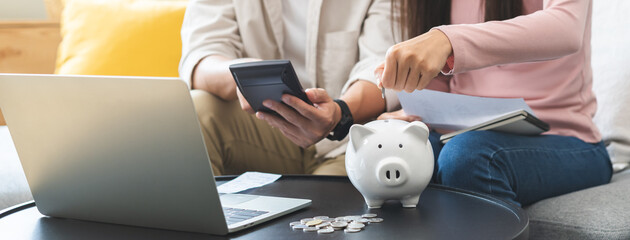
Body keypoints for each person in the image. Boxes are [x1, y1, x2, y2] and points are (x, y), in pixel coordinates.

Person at [375, 0, 612, 206]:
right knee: (397, 150)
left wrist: (447, 40)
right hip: (462, 131)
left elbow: (566, 28)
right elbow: (441, 78)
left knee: (467, 158)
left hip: (564, 139)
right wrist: (414, 113)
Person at [179, 0, 394, 176]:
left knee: (326, 212)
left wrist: (340, 112)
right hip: (268, 126)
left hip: (349, 139)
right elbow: (201, 55)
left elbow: (385, 68)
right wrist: (244, 76)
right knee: (195, 112)